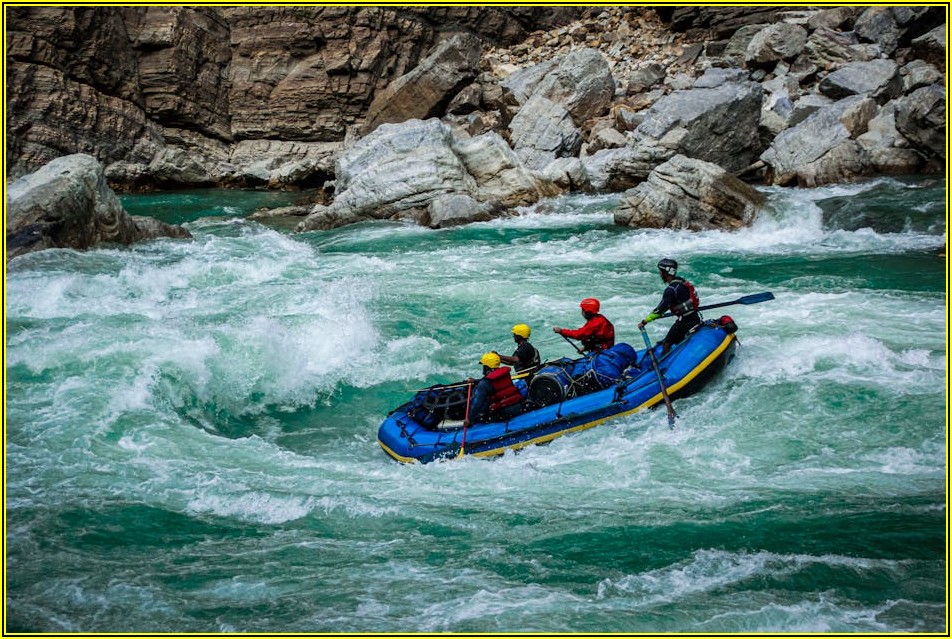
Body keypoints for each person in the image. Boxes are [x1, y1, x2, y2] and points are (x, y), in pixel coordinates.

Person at [638, 258, 702, 355]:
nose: (659, 274)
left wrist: (645, 321)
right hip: (695, 317)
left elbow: (660, 310)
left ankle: (663, 366)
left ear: (665, 273)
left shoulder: (671, 290)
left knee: (667, 344)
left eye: (660, 271)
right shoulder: (681, 282)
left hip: (685, 322)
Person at [464, 352, 523, 425]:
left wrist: (469, 420)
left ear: (486, 367)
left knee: (480, 415)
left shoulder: (485, 383)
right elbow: (494, 382)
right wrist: (475, 381)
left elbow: (477, 404)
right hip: (517, 407)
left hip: (502, 413)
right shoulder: (505, 374)